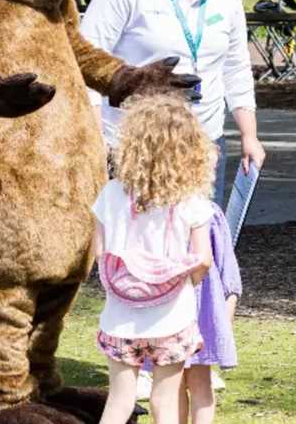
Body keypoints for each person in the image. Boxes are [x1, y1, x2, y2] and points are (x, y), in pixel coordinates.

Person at [80, 0, 265, 206]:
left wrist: (249, 135)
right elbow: (88, 64)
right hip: (137, 146)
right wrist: (95, 138)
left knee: (200, 245)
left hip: (204, 145)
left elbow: (235, 66)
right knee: (141, 249)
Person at [94, 93, 215, 424]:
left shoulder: (110, 194)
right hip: (172, 317)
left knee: (119, 401)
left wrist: (125, 285)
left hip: (119, 317)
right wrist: (183, 281)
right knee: (164, 401)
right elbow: (202, 259)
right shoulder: (191, 201)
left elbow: (99, 253)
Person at [178, 209, 242, 424]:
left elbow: (226, 271)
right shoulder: (156, 212)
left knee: (195, 381)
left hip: (196, 313)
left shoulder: (207, 213)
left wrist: (224, 319)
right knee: (173, 384)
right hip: (173, 313)